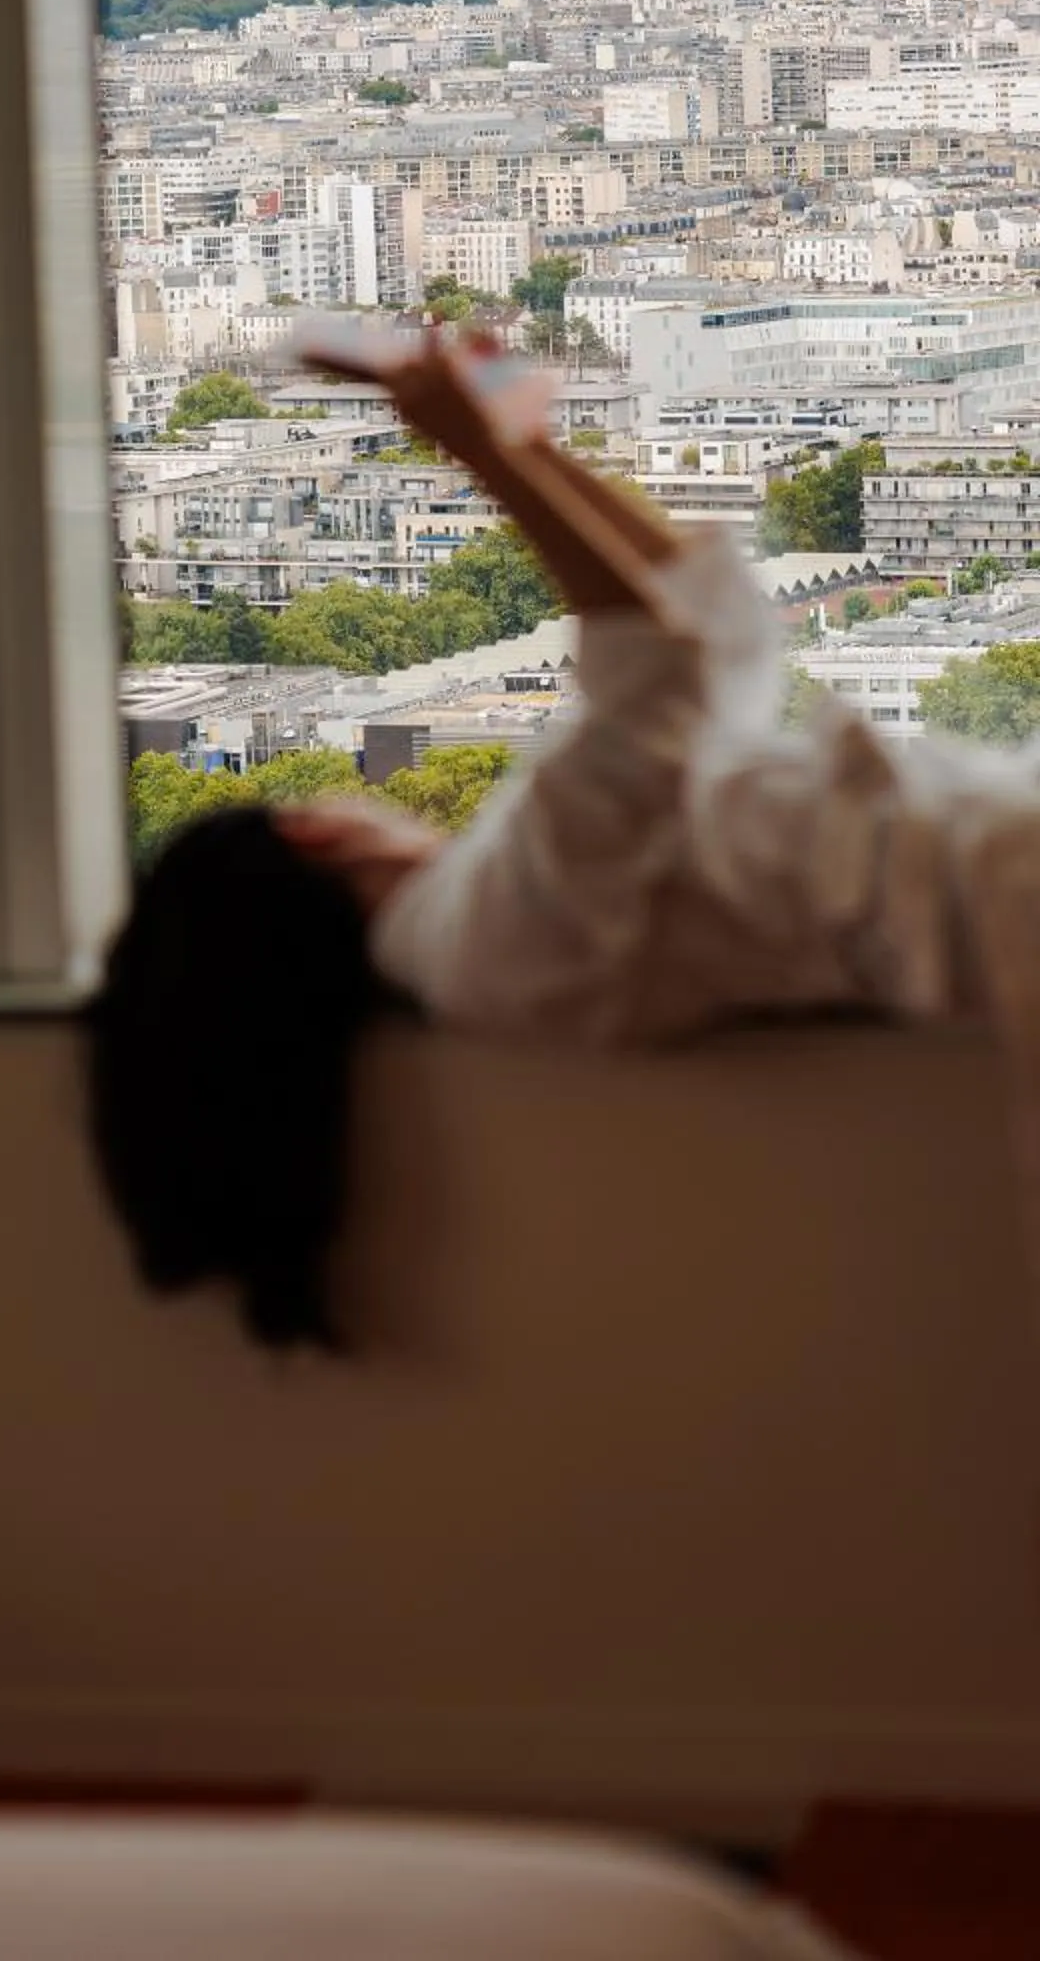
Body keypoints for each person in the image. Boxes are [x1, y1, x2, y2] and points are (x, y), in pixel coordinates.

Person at [88, 326, 1040, 1350]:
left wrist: (523, 446)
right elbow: (665, 657)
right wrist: (484, 452)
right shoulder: (487, 934)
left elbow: (706, 638)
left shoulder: (485, 930)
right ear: (312, 831)